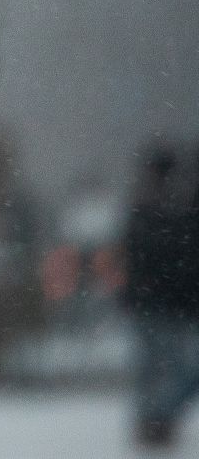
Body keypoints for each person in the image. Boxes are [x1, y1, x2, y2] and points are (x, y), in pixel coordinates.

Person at [120, 142, 199, 449]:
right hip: (166, 304)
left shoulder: (152, 210)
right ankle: (156, 419)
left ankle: (155, 419)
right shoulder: (161, 211)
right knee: (164, 366)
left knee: (158, 367)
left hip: (162, 303)